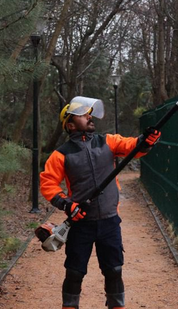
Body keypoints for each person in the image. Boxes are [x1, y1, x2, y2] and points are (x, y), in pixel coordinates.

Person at [40, 96, 161, 309]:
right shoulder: (61, 155)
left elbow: (133, 147)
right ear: (70, 124)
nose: (89, 116)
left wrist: (146, 140)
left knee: (114, 270)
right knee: (74, 272)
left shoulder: (108, 141)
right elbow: (48, 183)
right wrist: (67, 205)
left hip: (109, 222)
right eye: (82, 114)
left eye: (89, 113)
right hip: (80, 223)